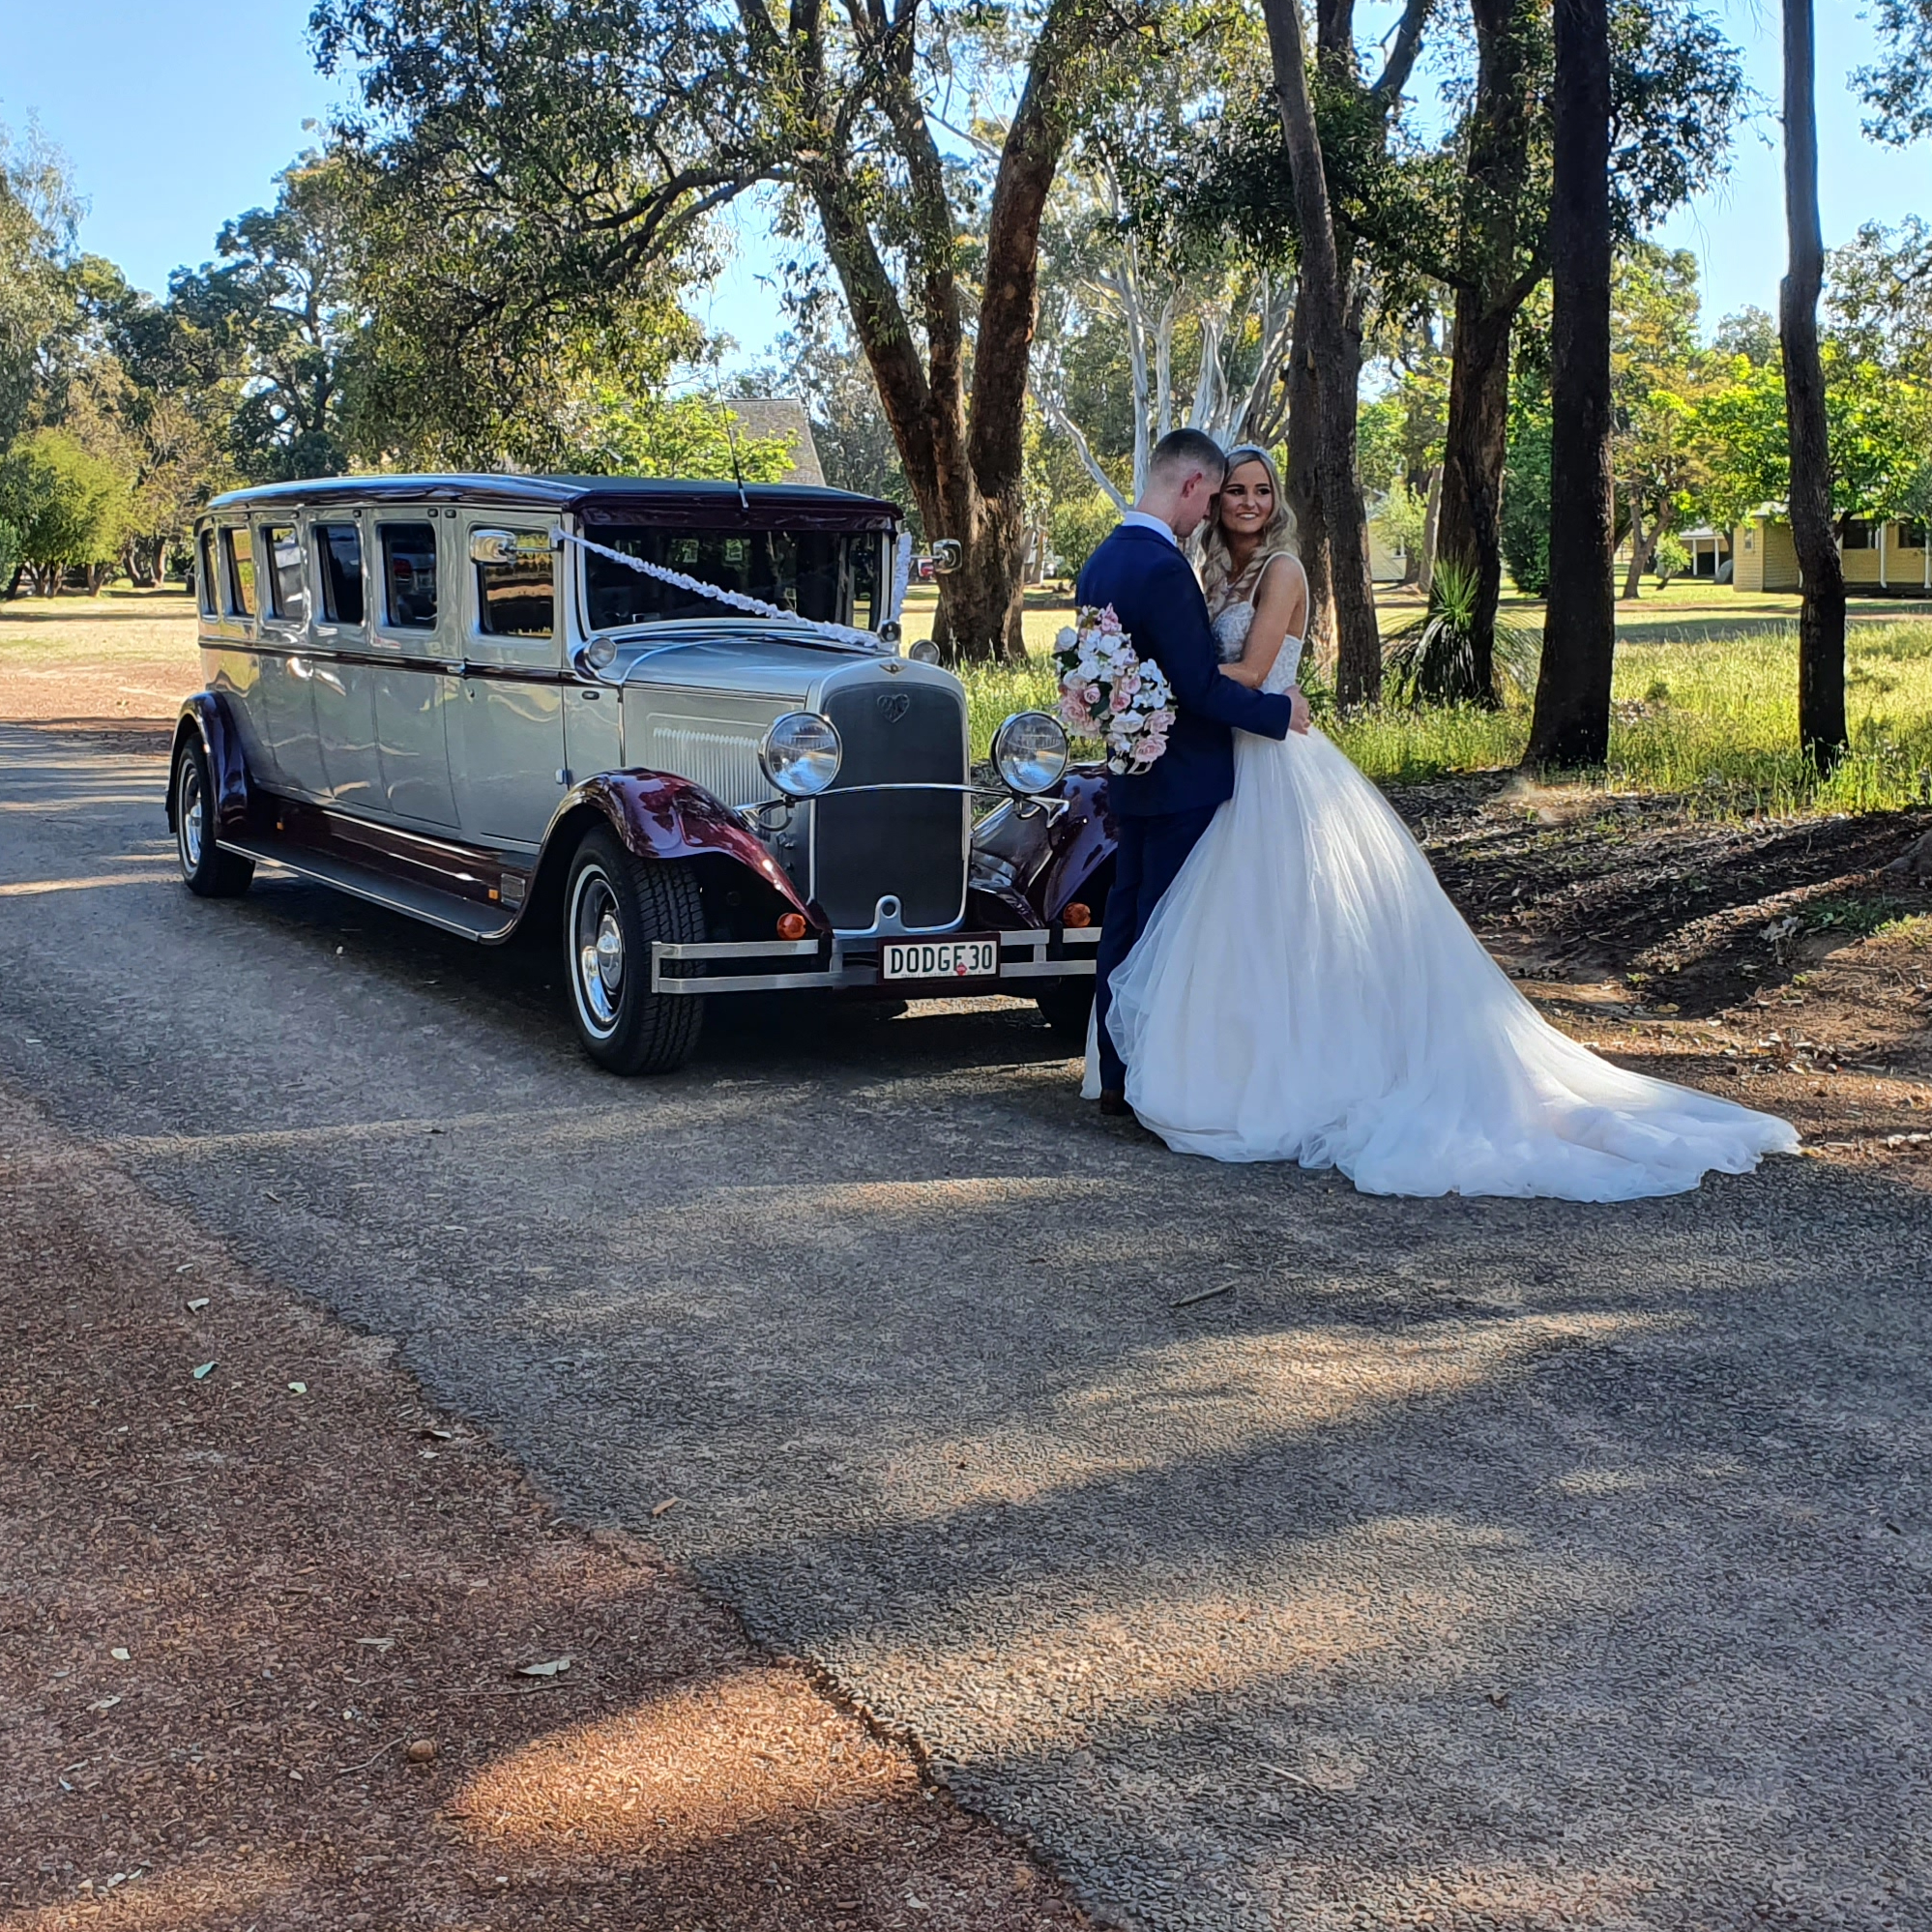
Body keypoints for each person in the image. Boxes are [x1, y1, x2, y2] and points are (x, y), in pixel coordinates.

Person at [1100, 445, 1800, 1199]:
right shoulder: (1209, 571)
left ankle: (1302, 1073)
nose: (1245, 503)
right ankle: (1220, 1062)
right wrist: (1155, 687)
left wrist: (1156, 686)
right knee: (1237, 933)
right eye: (1234, 490)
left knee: (1292, 925)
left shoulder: (1282, 572)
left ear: (1278, 501)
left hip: (1275, 757)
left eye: (1260, 490)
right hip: (1226, 756)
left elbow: (1249, 670)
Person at [1074, 429, 1306, 1116]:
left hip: (1159, 770)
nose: (1224, 507)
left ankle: (1122, 1072)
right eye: (1223, 492)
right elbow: (1198, 685)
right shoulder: (1173, 569)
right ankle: (1156, 1078)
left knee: (1135, 923)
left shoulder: (1101, 561)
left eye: (1259, 491)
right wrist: (1275, 711)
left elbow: (1121, 679)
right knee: (1169, 929)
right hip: (1187, 769)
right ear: (1193, 486)